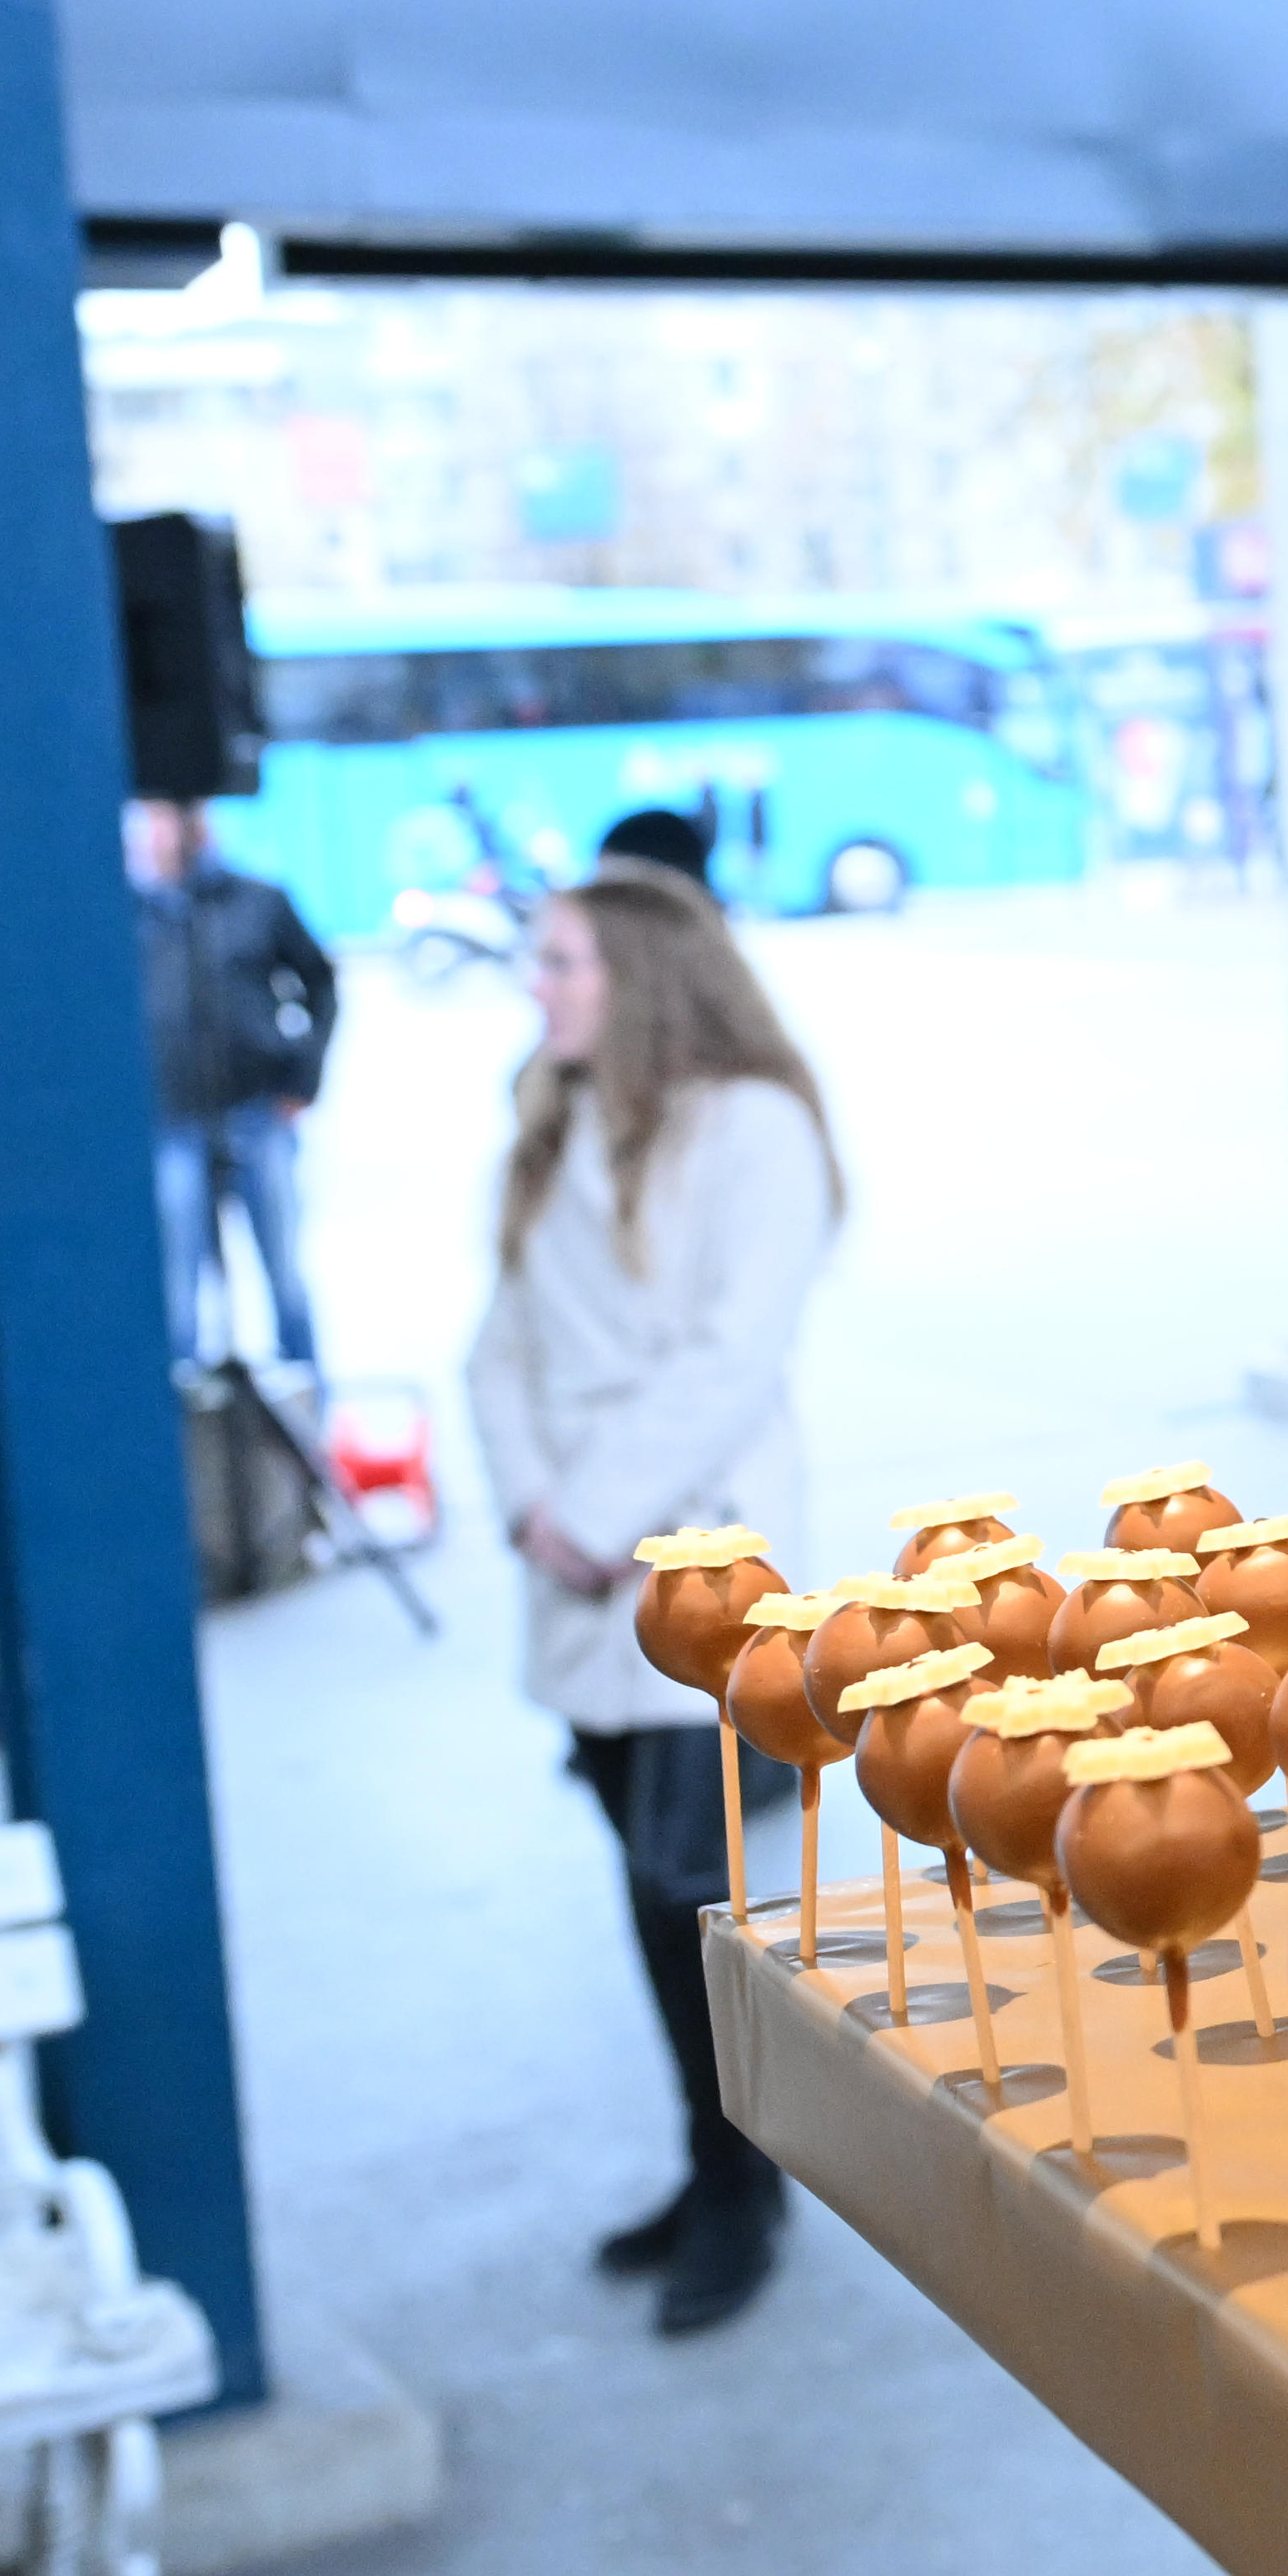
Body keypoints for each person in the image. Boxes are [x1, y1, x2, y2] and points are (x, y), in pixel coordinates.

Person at [461, 863, 838, 2337]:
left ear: (643, 973)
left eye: (562, 960)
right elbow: (499, 1343)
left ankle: (747, 2188)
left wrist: (593, 1511)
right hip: (577, 1562)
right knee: (647, 1884)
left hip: (696, 1561)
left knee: (696, 1896)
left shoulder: (754, 1127)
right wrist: (530, 1507)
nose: (536, 983)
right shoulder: (555, 1120)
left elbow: (732, 1356)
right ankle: (711, 2160)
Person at [129, 797, 337, 1374]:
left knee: (284, 1273)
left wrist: (303, 1078)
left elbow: (321, 985)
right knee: (177, 1282)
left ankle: (306, 1397)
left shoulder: (259, 902)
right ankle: (183, 1407)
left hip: (257, 1113)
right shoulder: (132, 912)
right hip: (171, 1122)